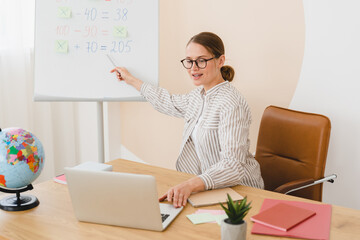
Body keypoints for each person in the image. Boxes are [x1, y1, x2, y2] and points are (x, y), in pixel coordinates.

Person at [111, 32, 264, 208]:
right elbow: (167, 101)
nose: (193, 68)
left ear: (220, 61)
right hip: (212, 188)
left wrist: (190, 185)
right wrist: (131, 80)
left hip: (242, 191)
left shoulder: (231, 104)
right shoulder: (198, 96)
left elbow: (233, 166)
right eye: (189, 61)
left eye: (201, 61)